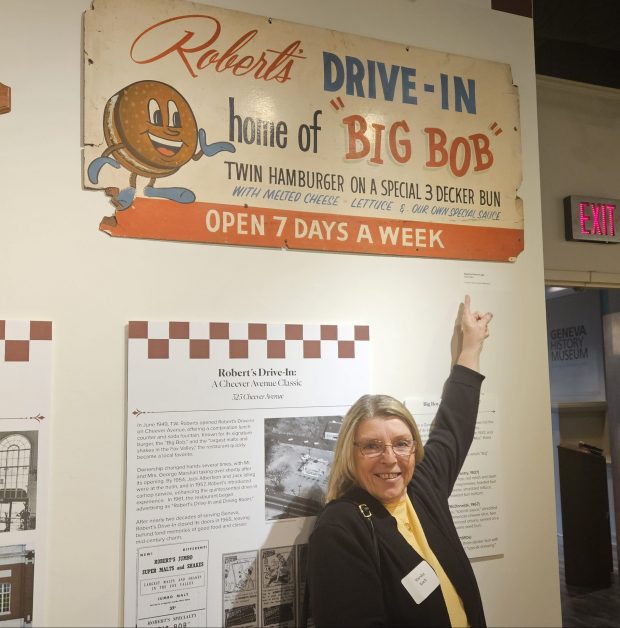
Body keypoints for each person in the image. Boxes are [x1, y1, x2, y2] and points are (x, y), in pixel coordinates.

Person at [306, 295, 492, 627]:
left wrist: (471, 347)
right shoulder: (341, 528)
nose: (390, 459)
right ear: (351, 453)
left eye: (401, 444)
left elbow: (453, 428)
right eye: (373, 446)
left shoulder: (422, 488)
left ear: (413, 448)